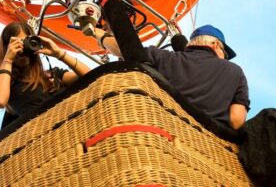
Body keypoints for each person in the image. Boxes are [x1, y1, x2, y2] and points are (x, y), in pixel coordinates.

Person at [94, 24, 250, 130]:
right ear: (215, 44)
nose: (225, 57)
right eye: (225, 52)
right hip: (209, 148)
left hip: (163, 133)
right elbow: (236, 122)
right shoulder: (236, 72)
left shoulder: (164, 58)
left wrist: (98, 34)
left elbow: (125, 49)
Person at [0, 21, 90, 118]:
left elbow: (92, 75)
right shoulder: (6, 82)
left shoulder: (53, 74)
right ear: (7, 48)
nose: (22, 49)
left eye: (26, 42)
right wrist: (7, 59)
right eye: (17, 44)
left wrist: (59, 53)